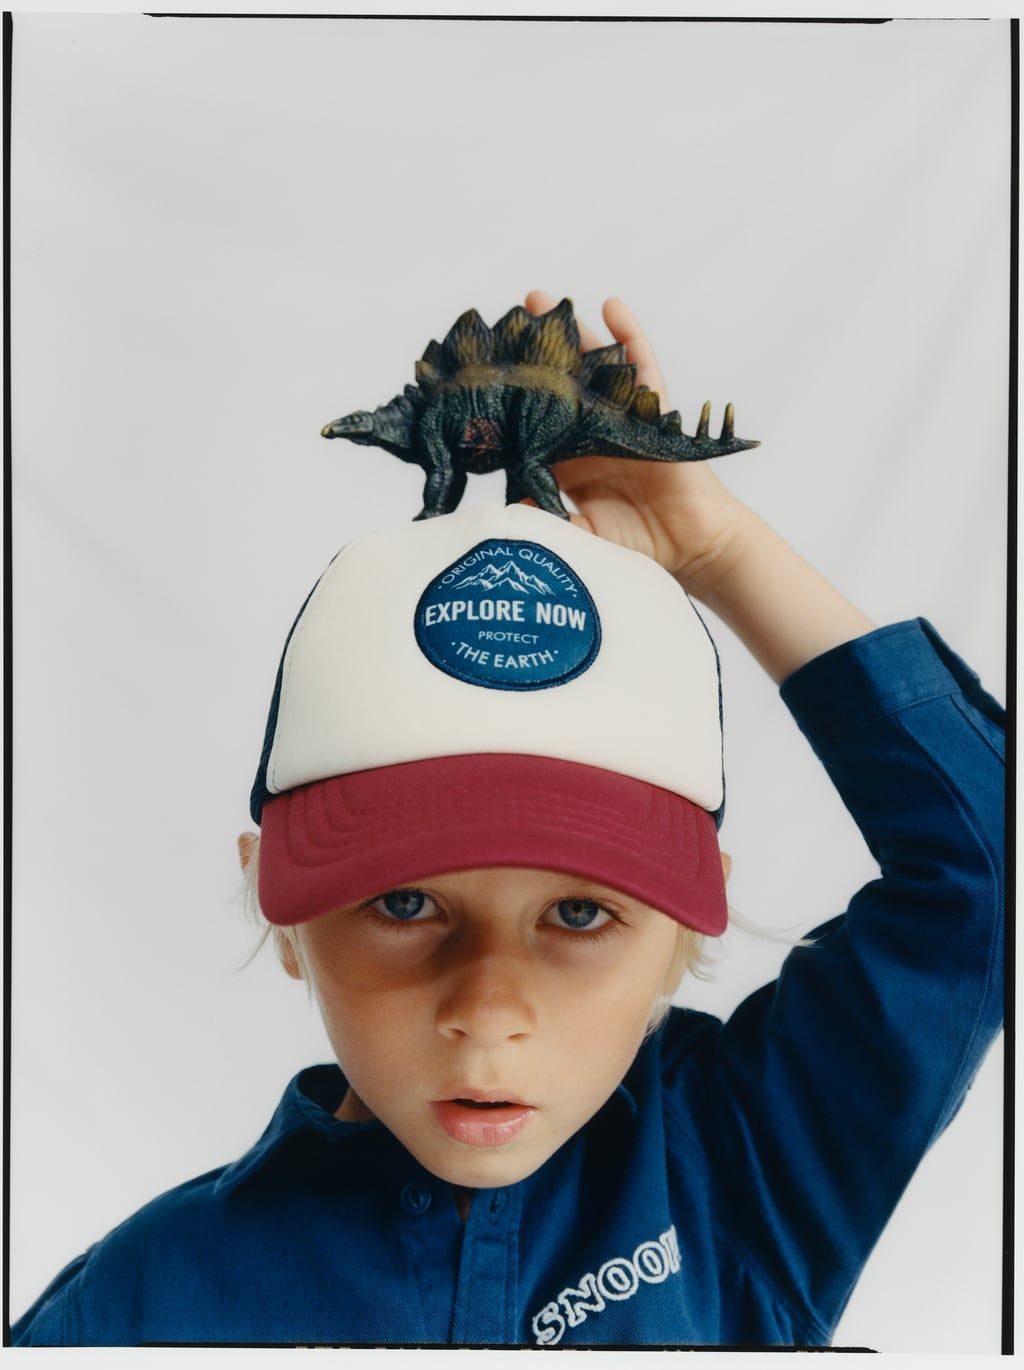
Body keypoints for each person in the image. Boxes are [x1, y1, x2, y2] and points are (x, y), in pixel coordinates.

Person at [12, 294, 1004, 1348]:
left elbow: (991, 878)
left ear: (687, 920)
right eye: (405, 902)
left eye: (578, 911)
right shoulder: (143, 1302)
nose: (487, 1013)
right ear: (279, 899)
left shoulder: (742, 1177)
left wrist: (717, 551)